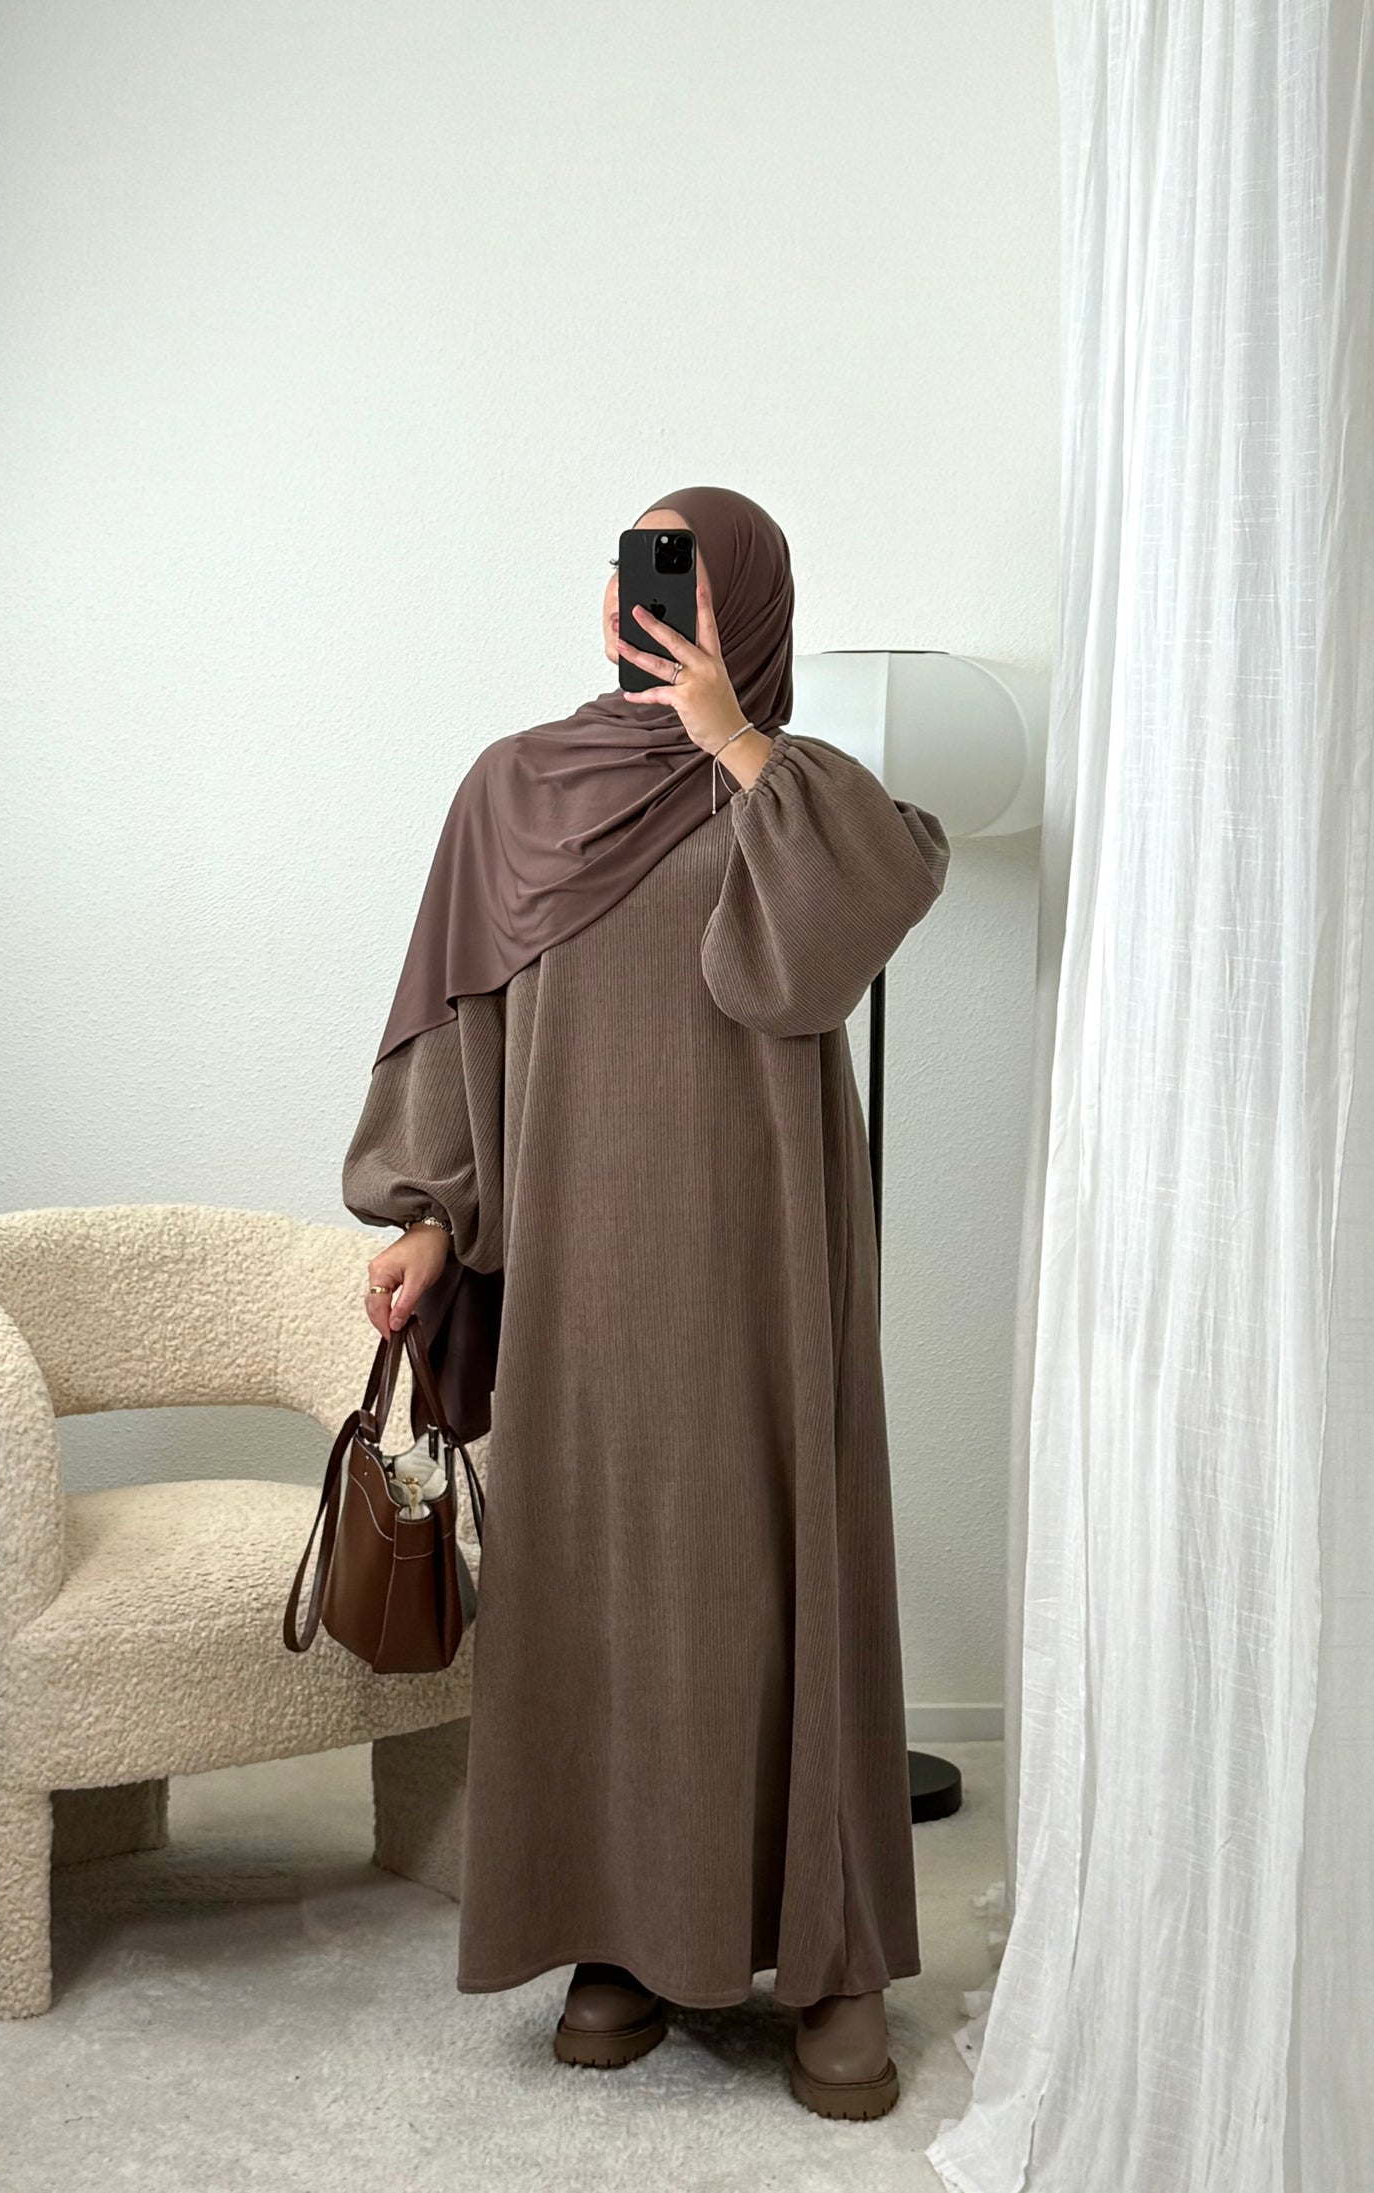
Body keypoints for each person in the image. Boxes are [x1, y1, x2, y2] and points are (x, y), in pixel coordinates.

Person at [341, 484, 950, 2121]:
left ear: (748, 608)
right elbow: (463, 1022)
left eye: (685, 575)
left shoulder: (802, 793)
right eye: (634, 569)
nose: (649, 601)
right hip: (579, 1279)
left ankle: (826, 1957)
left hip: (768, 1275)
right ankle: (617, 1929)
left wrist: (732, 736)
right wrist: (430, 1214)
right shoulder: (516, 791)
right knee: (602, 1589)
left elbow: (854, 920)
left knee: (778, 1579)